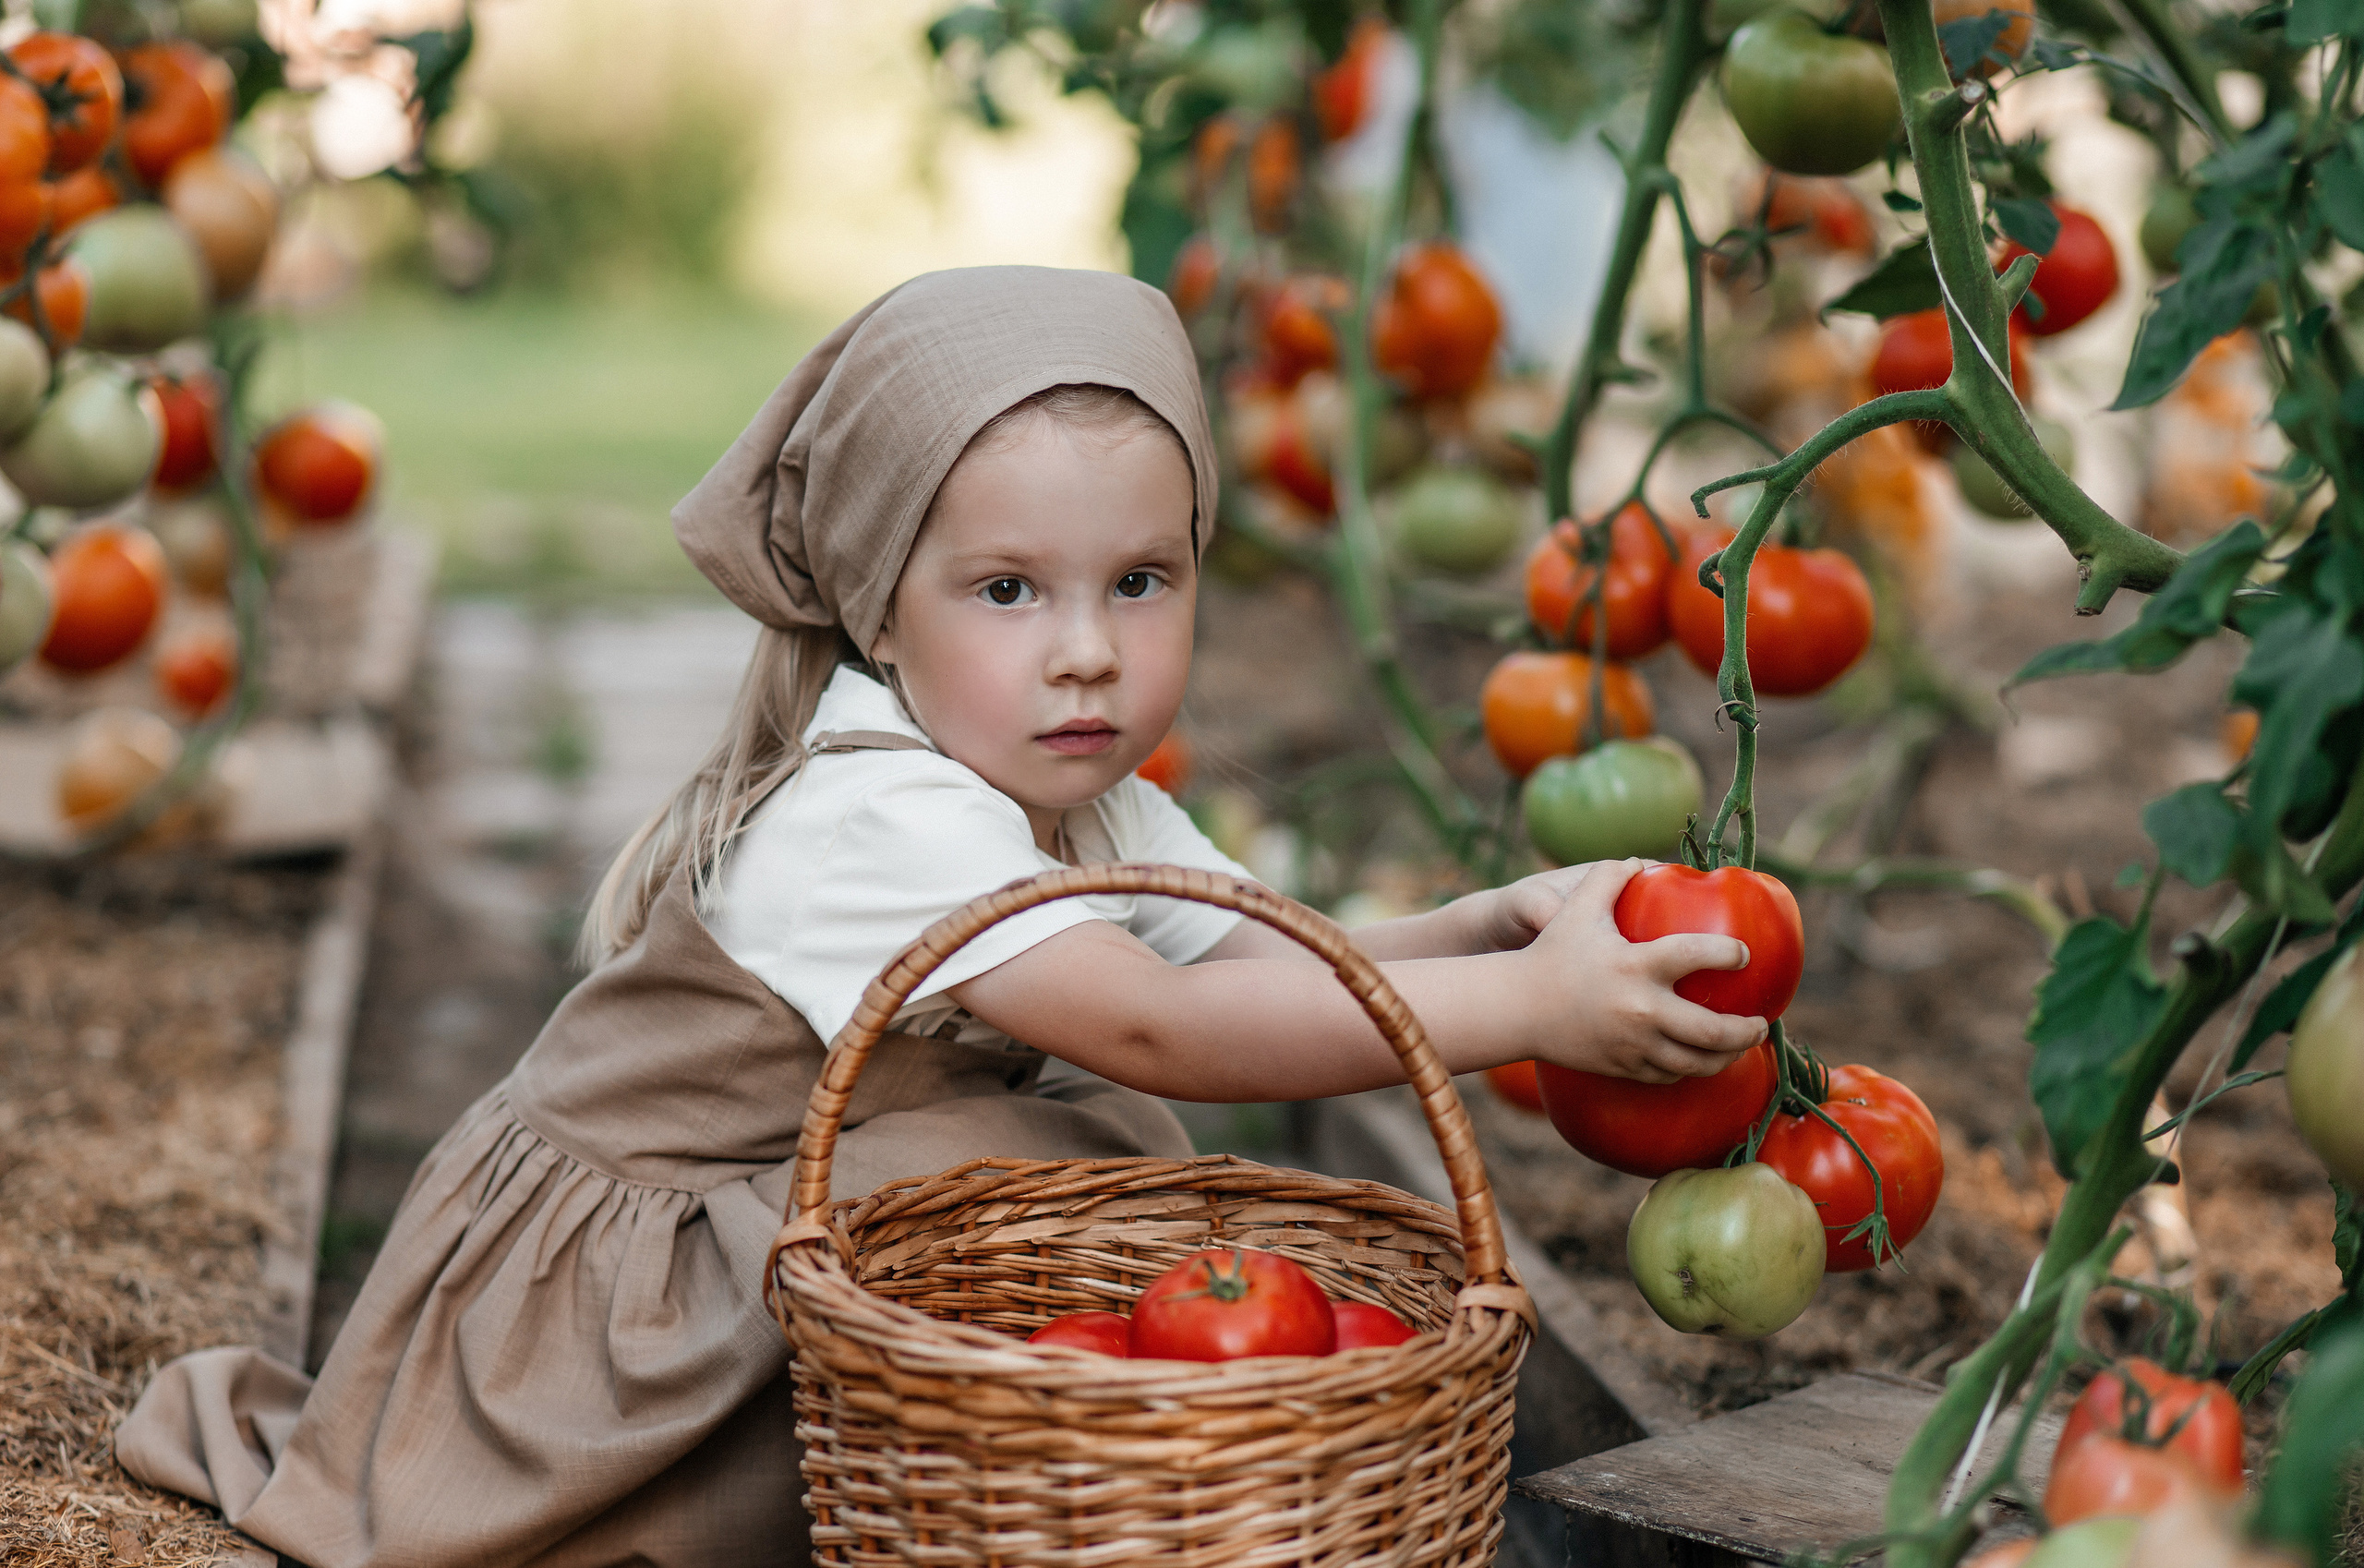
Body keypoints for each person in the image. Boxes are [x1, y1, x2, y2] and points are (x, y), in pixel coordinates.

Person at [114, 266, 1766, 1567]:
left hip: (767, 1226)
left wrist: (1494, 928)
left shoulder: (1070, 787)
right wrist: (1529, 1017)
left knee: (1041, 1161)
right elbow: (1158, 1022)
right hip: (615, 1299)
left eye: (1142, 580)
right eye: (1008, 590)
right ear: (880, 617)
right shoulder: (877, 809)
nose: (1087, 653)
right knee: (1051, 1143)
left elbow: (1271, 957)